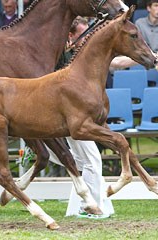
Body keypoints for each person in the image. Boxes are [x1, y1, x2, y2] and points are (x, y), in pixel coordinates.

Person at [51, 16, 115, 218]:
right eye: (83, 35)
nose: (88, 39)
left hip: (74, 116)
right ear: (70, 36)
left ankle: (77, 208)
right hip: (72, 117)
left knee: (82, 162)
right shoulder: (64, 57)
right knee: (92, 160)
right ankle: (90, 208)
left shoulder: (76, 56)